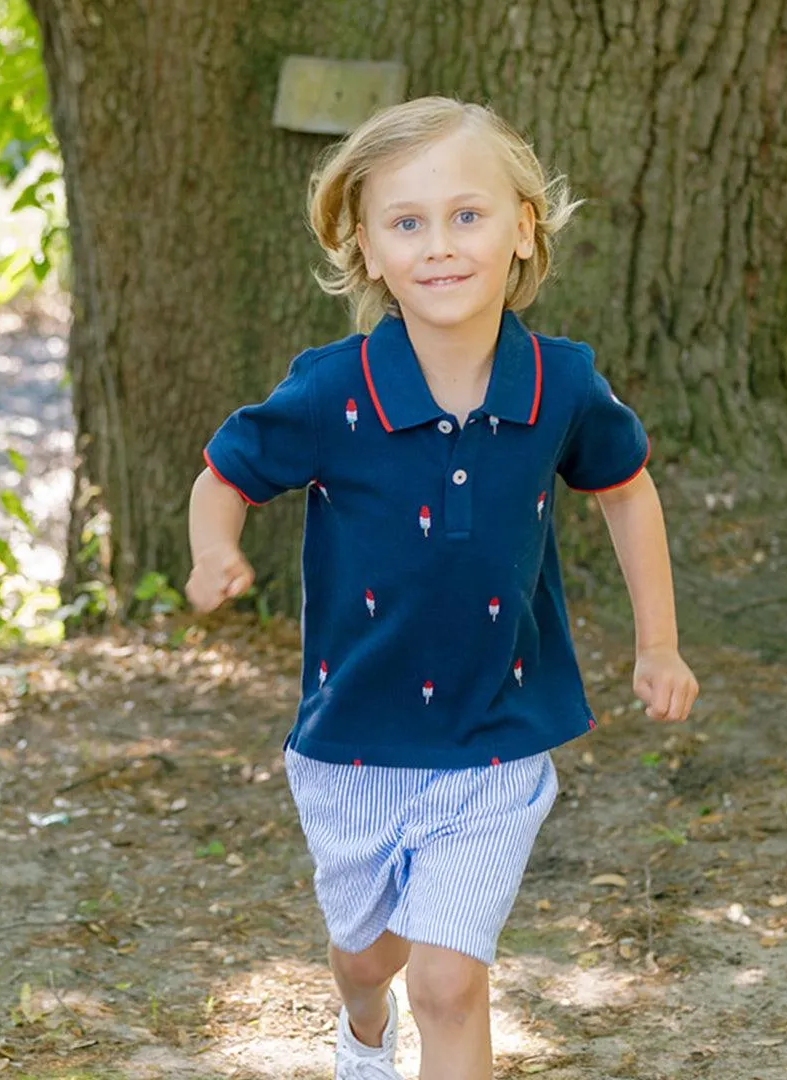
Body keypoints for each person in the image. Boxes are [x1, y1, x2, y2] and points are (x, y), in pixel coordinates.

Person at [185, 96, 699, 1080]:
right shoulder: (333, 390)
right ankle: (361, 1024)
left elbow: (627, 492)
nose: (440, 244)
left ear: (523, 228)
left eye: (468, 214)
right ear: (368, 251)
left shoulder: (564, 383)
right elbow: (226, 476)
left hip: (496, 738)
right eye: (406, 222)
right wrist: (216, 550)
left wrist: (659, 645)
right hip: (353, 742)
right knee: (372, 956)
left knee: (451, 982)